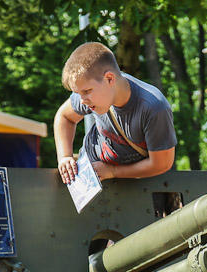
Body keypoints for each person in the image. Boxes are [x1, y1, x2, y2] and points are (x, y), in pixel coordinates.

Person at [54, 42, 176, 185]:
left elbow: (162, 164)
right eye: (78, 93)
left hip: (137, 187)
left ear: (110, 79)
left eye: (86, 92)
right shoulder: (92, 91)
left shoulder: (154, 108)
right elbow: (64, 116)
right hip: (87, 180)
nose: (82, 101)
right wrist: (65, 157)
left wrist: (113, 172)